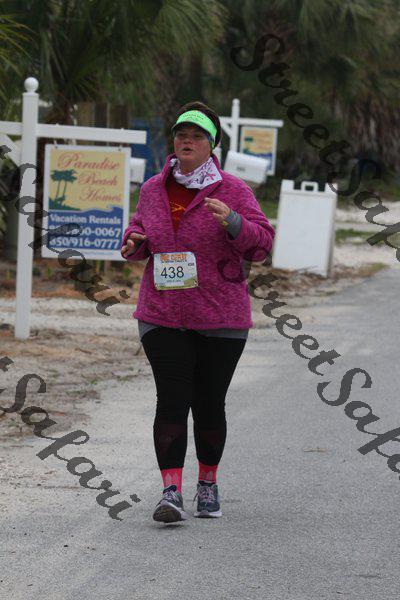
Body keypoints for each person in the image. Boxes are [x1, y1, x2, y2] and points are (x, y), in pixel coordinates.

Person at [121, 101, 275, 524]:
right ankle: (170, 492)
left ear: (212, 145)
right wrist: (134, 241)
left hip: (220, 316)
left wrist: (234, 223)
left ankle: (207, 484)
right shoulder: (153, 188)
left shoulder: (233, 190)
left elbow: (263, 245)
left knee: (208, 403)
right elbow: (140, 231)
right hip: (162, 313)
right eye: (181, 134)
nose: (187, 141)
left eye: (197, 136)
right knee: (171, 400)